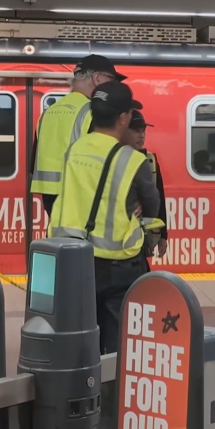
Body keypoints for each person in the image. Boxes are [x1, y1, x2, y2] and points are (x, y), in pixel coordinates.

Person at [48, 81, 162, 354]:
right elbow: (152, 203)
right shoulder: (132, 159)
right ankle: (112, 393)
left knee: (82, 337)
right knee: (116, 344)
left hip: (75, 258)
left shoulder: (75, 149)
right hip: (118, 264)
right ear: (123, 118)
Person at [31, 55, 125, 217]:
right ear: (96, 78)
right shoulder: (91, 111)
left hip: (49, 197)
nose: (113, 86)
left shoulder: (48, 113)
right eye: (111, 79)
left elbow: (33, 162)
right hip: (80, 195)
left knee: (59, 240)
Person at [122, 110, 168, 262]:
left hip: (143, 234)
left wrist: (163, 235)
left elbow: (159, 197)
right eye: (136, 130)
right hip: (121, 234)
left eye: (143, 131)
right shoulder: (115, 159)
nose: (141, 135)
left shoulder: (150, 160)